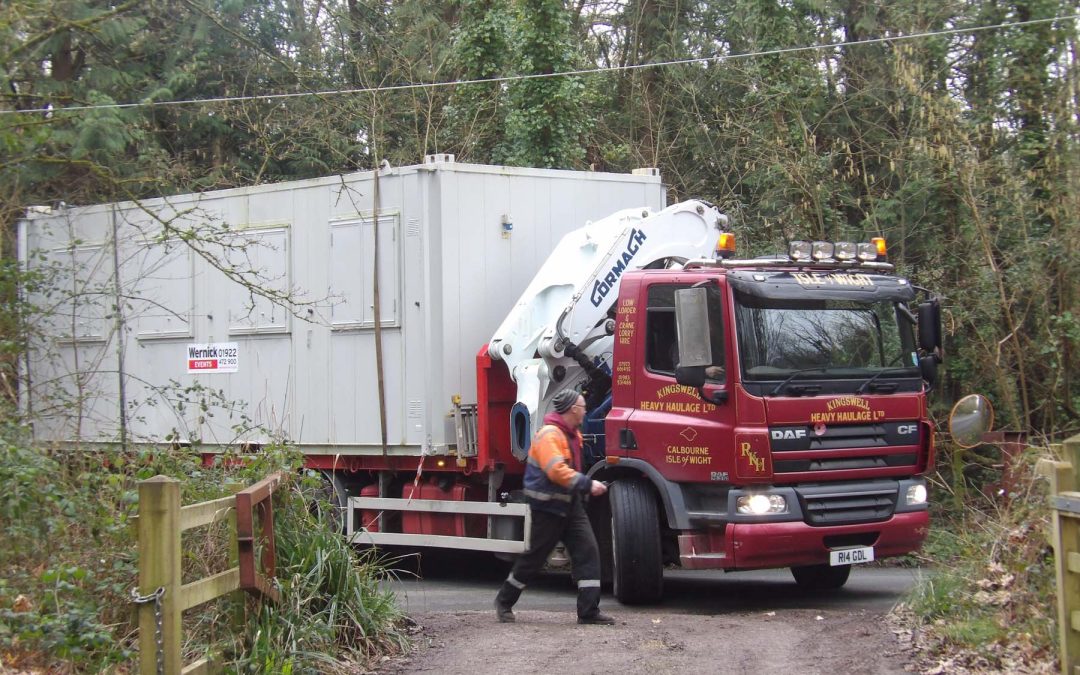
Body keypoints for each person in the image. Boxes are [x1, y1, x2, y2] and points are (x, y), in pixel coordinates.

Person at [494, 389, 615, 625]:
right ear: (572, 410)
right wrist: (588, 484)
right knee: (534, 558)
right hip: (547, 507)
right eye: (582, 408)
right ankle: (504, 601)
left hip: (570, 505)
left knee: (588, 552)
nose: (585, 412)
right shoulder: (550, 435)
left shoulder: (571, 434)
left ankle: (589, 612)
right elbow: (556, 471)